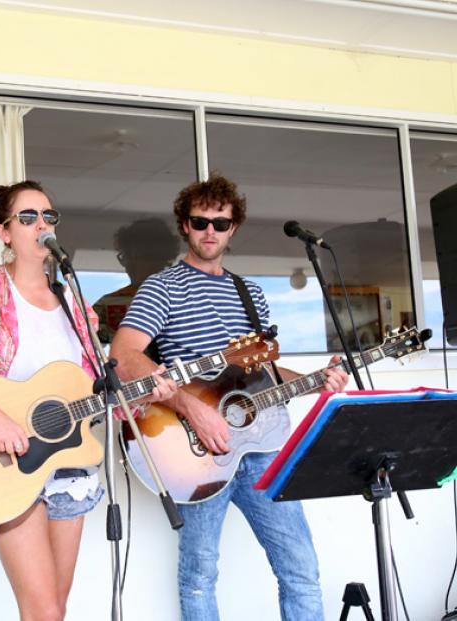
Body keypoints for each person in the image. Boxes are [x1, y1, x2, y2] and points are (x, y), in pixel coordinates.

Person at [0, 180, 174, 621]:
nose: (41, 225)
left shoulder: (71, 300)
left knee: (55, 611)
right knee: (43, 612)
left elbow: (94, 388)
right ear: (4, 233)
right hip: (8, 463)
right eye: (27, 217)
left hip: (68, 464)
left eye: (49, 216)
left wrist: (146, 390)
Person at [110, 175, 349, 620]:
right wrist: (194, 410)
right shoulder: (163, 287)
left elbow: (262, 373)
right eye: (200, 222)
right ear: (184, 225)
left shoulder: (250, 293)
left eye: (221, 223)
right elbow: (123, 357)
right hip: (196, 450)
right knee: (200, 575)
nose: (210, 232)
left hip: (261, 446)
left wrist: (316, 379)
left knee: (301, 569)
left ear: (233, 228)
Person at [94, 218, 180, 343]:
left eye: (139, 256)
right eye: (125, 257)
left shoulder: (184, 299)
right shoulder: (107, 304)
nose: (129, 265)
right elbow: (82, 339)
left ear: (162, 259)